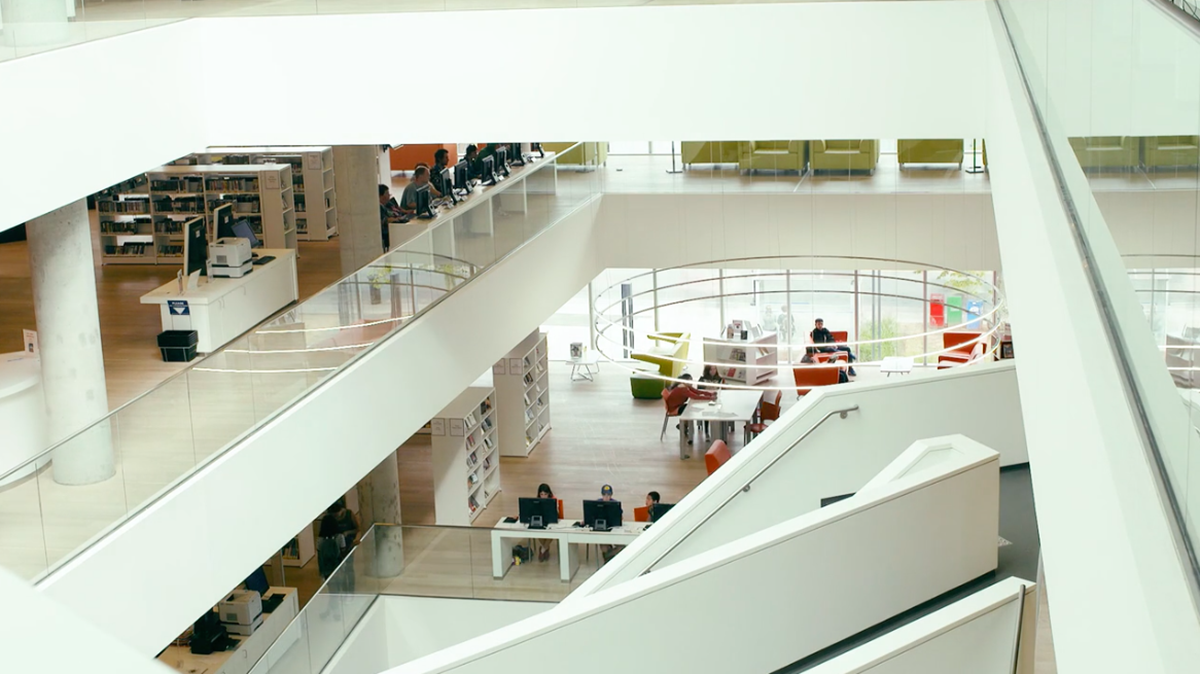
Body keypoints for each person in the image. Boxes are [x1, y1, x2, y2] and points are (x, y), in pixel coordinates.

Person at [666, 373, 716, 451]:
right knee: (690, 410)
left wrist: (710, 394)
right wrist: (710, 398)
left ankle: (684, 426)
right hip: (674, 408)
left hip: (678, 405)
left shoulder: (685, 386)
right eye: (690, 381)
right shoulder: (683, 389)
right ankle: (686, 428)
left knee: (690, 408)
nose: (691, 382)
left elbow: (697, 392)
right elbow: (695, 396)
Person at [598, 484, 624, 562]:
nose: (606, 497)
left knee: (622, 546)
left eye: (608, 495)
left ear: (611, 495)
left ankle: (608, 556)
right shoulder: (597, 503)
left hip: (615, 530)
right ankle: (609, 559)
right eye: (604, 494)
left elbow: (621, 517)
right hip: (601, 531)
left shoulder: (615, 504)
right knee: (604, 547)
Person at [378, 184, 405, 251]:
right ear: (380, 196)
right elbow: (385, 220)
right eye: (386, 193)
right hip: (389, 232)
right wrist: (396, 219)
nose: (389, 195)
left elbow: (401, 211)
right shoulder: (379, 208)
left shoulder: (389, 203)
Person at [535, 483, 556, 562]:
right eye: (541, 494)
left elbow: (556, 513)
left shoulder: (553, 500)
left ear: (549, 494)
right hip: (541, 521)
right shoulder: (536, 501)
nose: (543, 496)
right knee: (536, 530)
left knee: (552, 532)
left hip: (551, 521)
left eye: (545, 494)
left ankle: (543, 549)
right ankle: (545, 548)